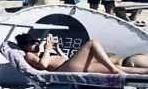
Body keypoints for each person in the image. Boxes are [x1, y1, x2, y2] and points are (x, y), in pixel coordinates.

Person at [16, 32, 148, 73]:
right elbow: (43, 65)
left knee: (112, 67)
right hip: (64, 69)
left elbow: (65, 58)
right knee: (92, 44)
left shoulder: (40, 53)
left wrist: (57, 49)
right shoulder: (29, 55)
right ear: (25, 46)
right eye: (32, 43)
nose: (36, 44)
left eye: (35, 41)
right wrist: (47, 49)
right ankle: (113, 69)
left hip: (68, 65)